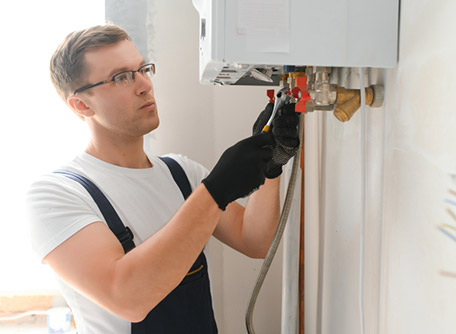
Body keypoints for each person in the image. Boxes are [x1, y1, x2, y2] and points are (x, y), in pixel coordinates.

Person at [25, 24, 299, 334]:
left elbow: (256, 241)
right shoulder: (55, 195)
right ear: (81, 104)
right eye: (121, 77)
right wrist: (216, 190)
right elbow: (127, 298)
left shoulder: (181, 174)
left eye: (143, 69)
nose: (144, 85)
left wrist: (272, 165)